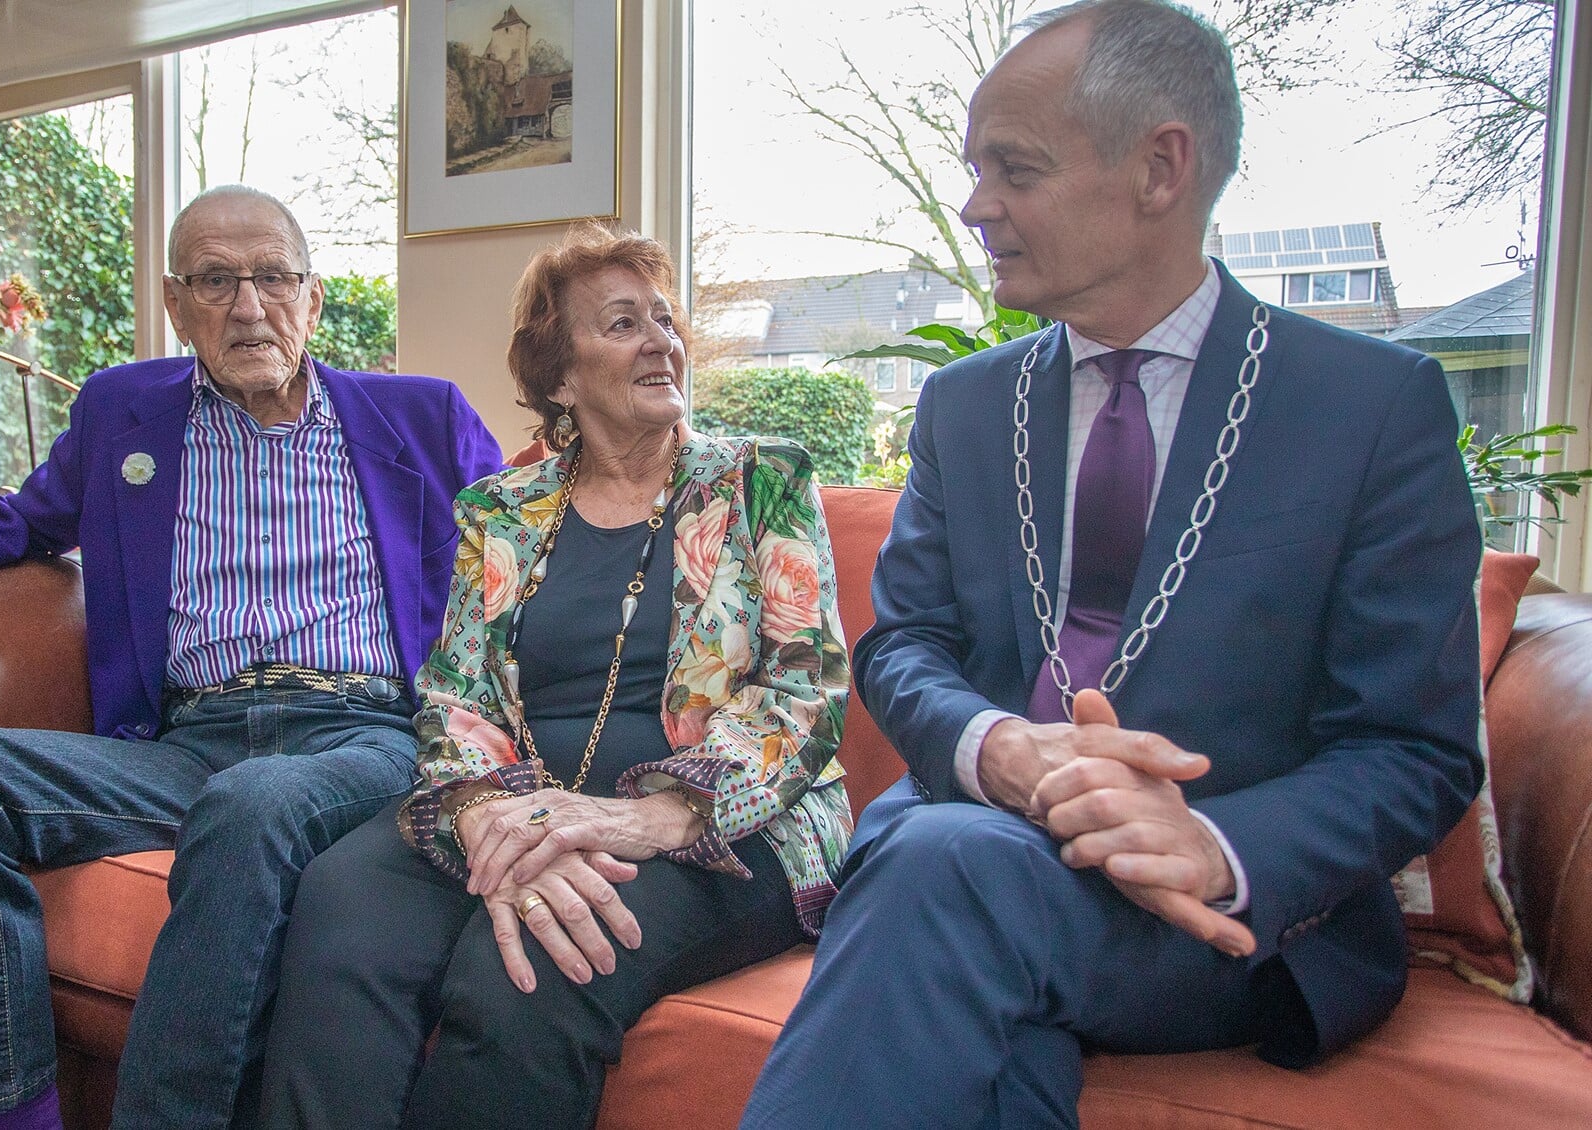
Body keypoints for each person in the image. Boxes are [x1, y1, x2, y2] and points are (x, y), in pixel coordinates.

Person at [740, 2, 1483, 1127]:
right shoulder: (963, 404)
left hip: (1211, 916)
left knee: (939, 884)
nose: (975, 203)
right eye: (975, 168)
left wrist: (1210, 840)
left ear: (1161, 166)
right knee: (971, 962)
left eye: (1015, 169)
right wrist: (996, 748)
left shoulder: (1370, 408)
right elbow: (904, 643)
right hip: (971, 848)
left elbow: (1414, 749)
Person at [0, 185, 505, 1130]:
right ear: (177, 304)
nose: (249, 306)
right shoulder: (123, 410)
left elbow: (526, 549)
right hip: (184, 740)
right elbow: (26, 515)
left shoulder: (421, 417)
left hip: (365, 734)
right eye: (216, 281)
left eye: (273, 277)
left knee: (254, 800)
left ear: (313, 297)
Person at [255, 226, 855, 1128]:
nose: (661, 341)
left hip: (727, 822)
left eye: (664, 320)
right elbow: (458, 696)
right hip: (525, 804)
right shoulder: (503, 509)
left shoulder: (761, 479)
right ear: (563, 378)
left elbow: (805, 689)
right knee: (343, 908)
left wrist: (658, 814)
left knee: (531, 963)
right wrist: (491, 814)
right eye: (622, 324)